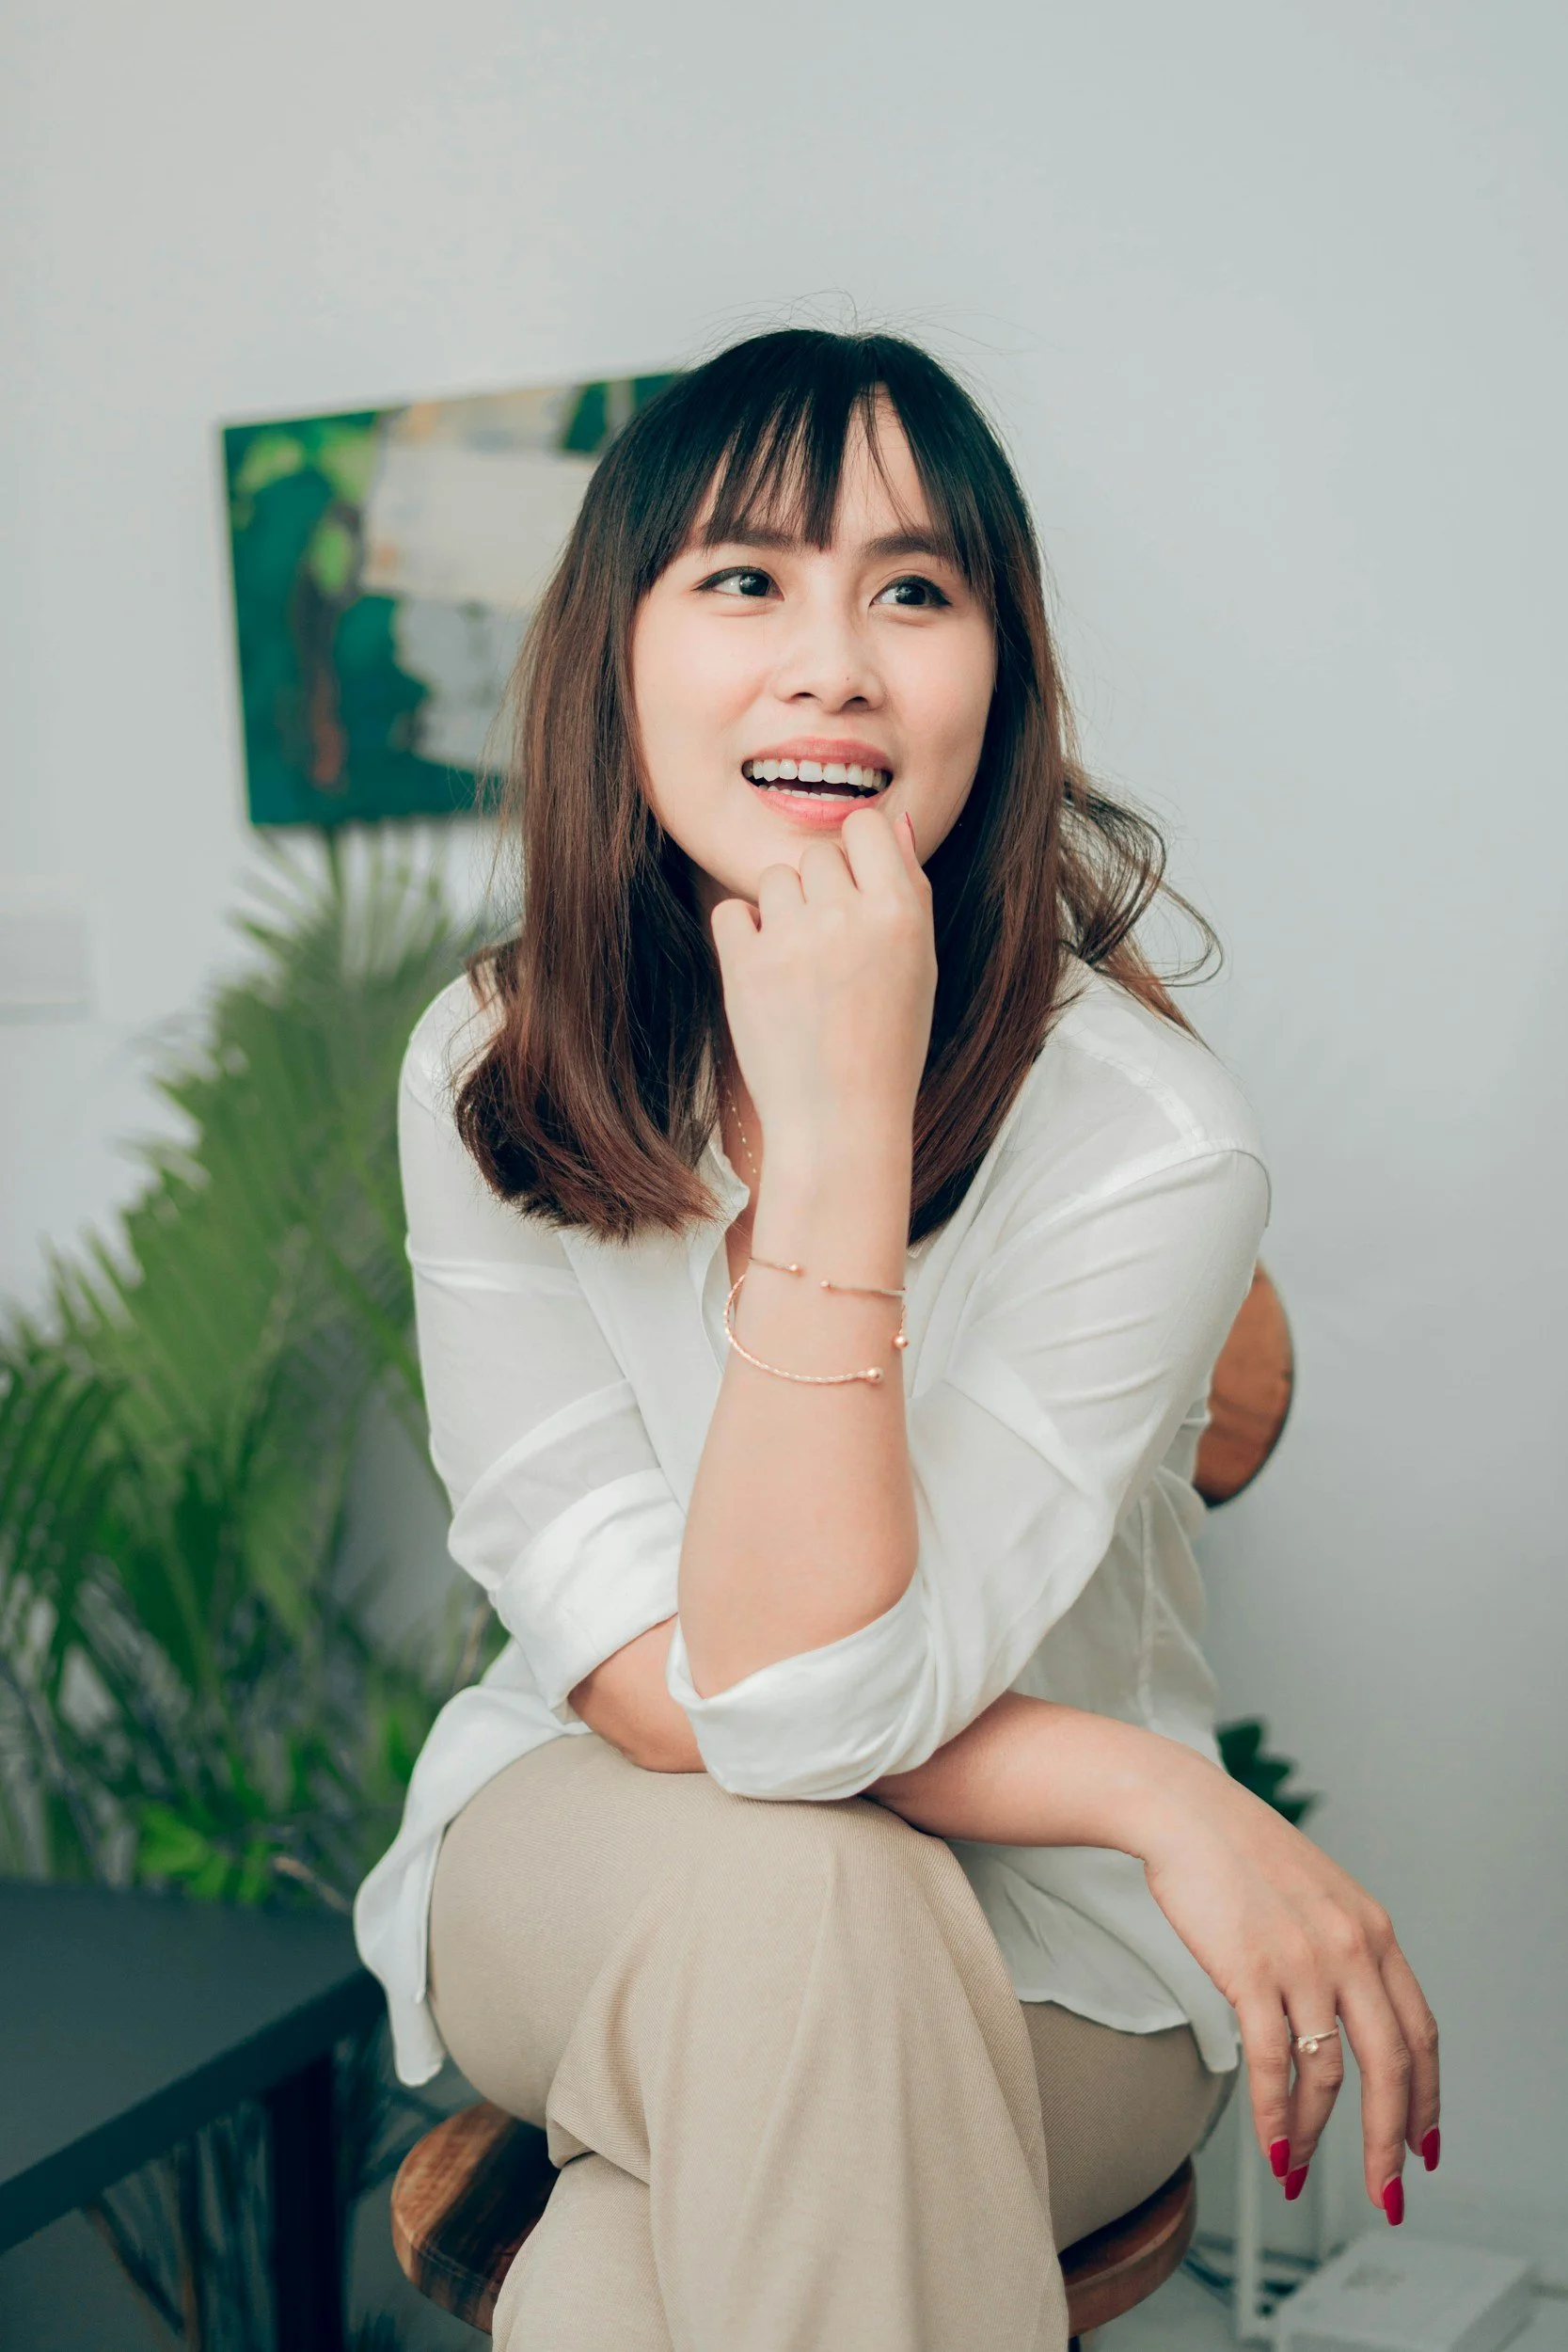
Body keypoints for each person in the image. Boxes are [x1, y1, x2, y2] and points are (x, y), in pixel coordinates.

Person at [354, 328, 1439, 2352]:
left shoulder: (1147, 1140)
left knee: (619, 2277)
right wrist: (1136, 1778)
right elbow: (665, 1680)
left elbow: (800, 1697)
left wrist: (837, 1128)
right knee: (792, 1891)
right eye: (745, 578)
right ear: (618, 653)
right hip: (590, 1839)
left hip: (1054, 1974)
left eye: (913, 592)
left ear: (996, 684)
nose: (832, 657)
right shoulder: (482, 1062)